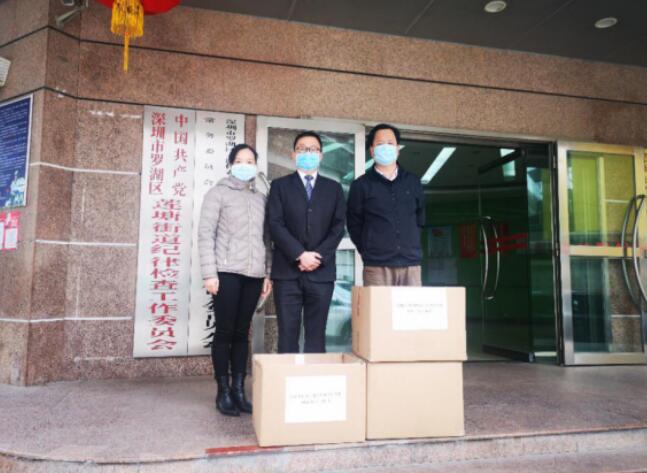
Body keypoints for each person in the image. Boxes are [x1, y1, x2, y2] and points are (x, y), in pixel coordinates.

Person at [198, 143, 272, 417]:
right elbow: (205, 234)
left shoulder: (260, 198)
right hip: (226, 273)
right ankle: (223, 391)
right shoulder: (217, 194)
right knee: (225, 332)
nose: (245, 165)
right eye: (240, 160)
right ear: (230, 164)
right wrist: (210, 274)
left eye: (250, 161)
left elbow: (267, 240)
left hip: (253, 275)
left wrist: (267, 273)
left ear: (256, 165)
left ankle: (239, 390)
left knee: (242, 333)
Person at [267, 131, 345, 354]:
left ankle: (315, 376)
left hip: (322, 274)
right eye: (302, 149)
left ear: (321, 155)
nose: (307, 153)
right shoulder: (280, 186)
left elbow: (338, 227)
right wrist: (300, 254)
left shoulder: (334, 188)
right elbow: (275, 224)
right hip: (287, 272)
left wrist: (317, 257)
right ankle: (286, 377)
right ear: (293, 154)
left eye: (313, 149)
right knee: (287, 335)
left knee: (316, 336)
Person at [347, 123, 425, 286]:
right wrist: (368, 250)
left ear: (398, 149)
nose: (386, 147)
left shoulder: (413, 182)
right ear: (372, 150)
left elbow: (420, 219)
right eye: (380, 143)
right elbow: (354, 224)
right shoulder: (361, 185)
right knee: (377, 305)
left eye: (390, 143)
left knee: (411, 304)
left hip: (411, 264)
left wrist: (410, 245)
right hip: (376, 266)